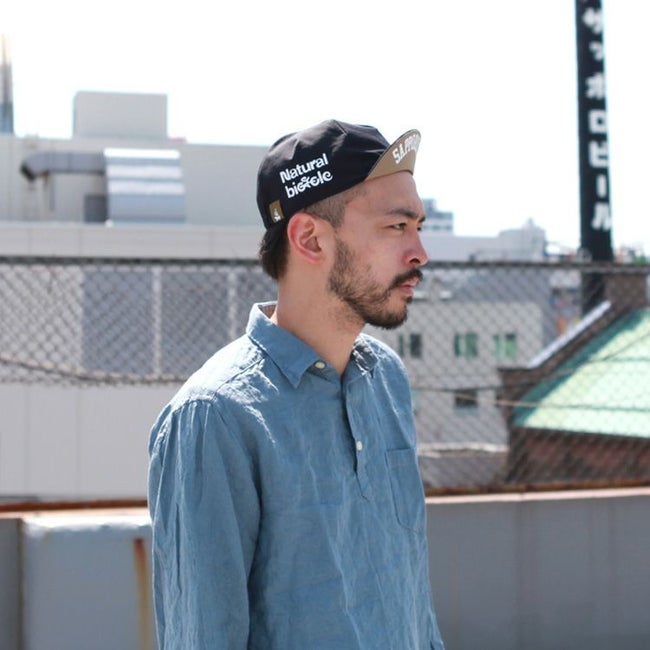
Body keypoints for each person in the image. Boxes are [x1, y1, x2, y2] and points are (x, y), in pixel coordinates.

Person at [147, 119, 446, 649]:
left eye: (419, 225)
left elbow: (410, 601)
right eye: (397, 226)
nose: (419, 251)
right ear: (309, 238)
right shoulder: (215, 415)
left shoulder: (386, 378)